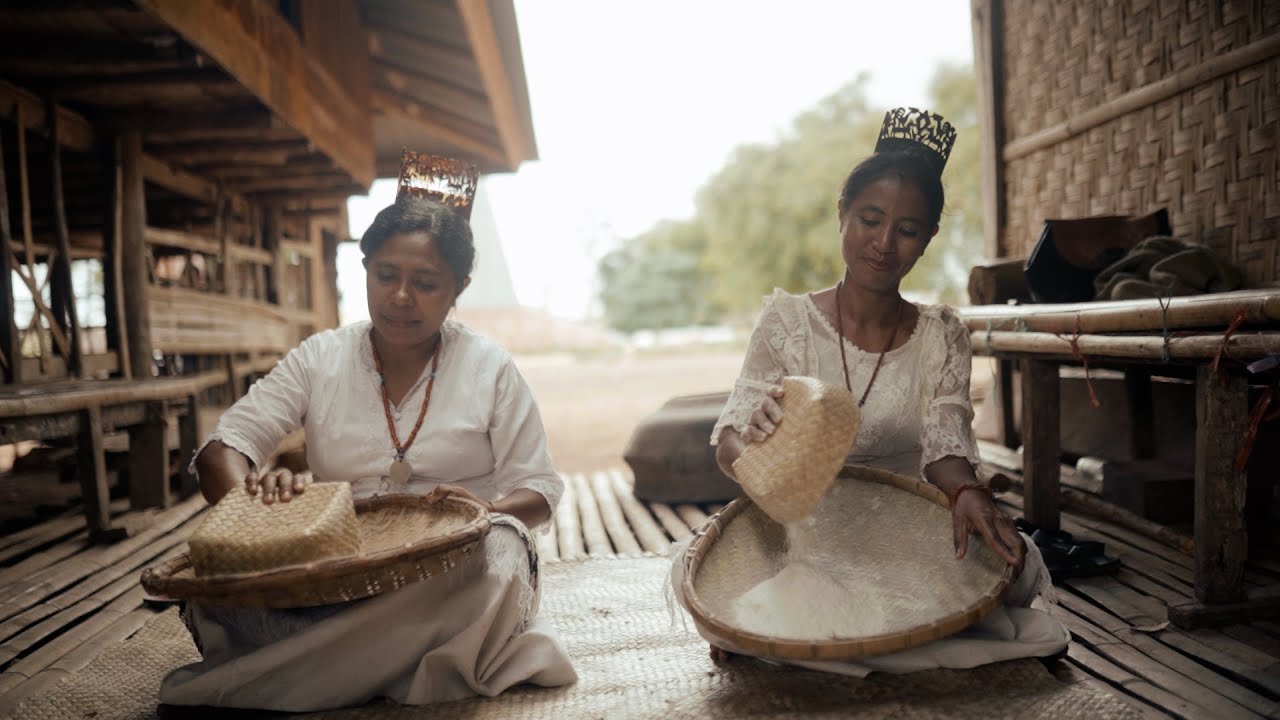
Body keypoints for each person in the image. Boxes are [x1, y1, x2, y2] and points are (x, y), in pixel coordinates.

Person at [671, 107, 1068, 674]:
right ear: (842, 214)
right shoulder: (787, 323)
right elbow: (730, 441)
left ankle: (798, 638)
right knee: (785, 583)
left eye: (907, 230)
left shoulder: (942, 334)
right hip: (806, 530)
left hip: (906, 527)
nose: (884, 243)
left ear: (928, 238)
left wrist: (967, 493)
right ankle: (823, 628)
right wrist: (755, 453)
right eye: (870, 219)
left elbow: (945, 447)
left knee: (1013, 561)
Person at [159, 191, 577, 711]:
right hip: (339, 563)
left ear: (458, 289)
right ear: (365, 271)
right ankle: (400, 664)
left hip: (456, 563)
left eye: (425, 283)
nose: (401, 296)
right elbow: (224, 449)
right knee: (218, 584)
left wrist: (485, 511)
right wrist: (255, 517)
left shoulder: (488, 366)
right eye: (385, 275)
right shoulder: (320, 358)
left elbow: (538, 489)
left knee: (500, 552)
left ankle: (270, 679)